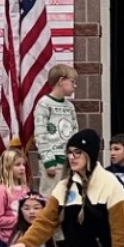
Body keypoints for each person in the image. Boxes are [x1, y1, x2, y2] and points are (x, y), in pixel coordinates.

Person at [32, 64, 80, 192]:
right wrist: (48, 161)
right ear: (61, 81)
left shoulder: (70, 106)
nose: (75, 86)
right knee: (50, 196)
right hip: (52, 162)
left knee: (69, 196)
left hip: (68, 162)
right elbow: (40, 134)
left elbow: (75, 133)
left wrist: (75, 158)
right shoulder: (44, 104)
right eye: (72, 82)